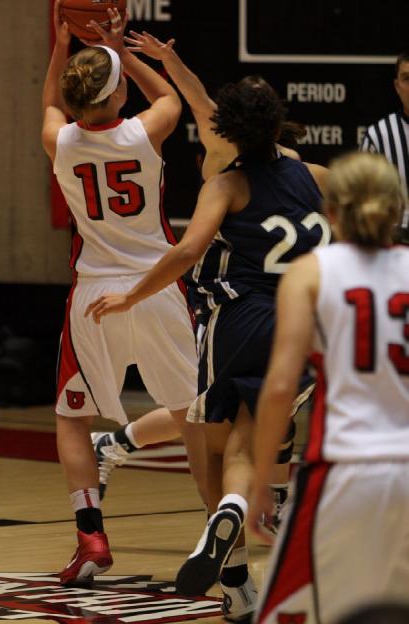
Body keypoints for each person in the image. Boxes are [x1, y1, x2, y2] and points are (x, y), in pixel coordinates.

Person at [87, 33, 329, 617]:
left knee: (207, 450)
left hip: (240, 317)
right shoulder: (315, 174)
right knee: (248, 441)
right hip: (309, 326)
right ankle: (239, 567)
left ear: (225, 134)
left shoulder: (226, 179)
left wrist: (129, 296)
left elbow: (185, 251)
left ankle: (230, 537)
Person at [42, 0, 206, 586]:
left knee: (70, 417)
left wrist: (64, 44)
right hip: (157, 285)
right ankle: (220, 529)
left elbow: (50, 106)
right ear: (117, 94)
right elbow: (171, 97)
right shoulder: (144, 133)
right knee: (194, 415)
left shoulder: (58, 142)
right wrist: (118, 49)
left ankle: (90, 535)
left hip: (93, 296)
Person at [248, 151, 409, 624]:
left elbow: (279, 387)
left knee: (288, 613)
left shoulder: (312, 270)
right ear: (397, 209)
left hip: (342, 469)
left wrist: (261, 483)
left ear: (331, 212)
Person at [360, 50, 409, 241]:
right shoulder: (377, 135)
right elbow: (362, 197)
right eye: (407, 78)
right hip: (393, 239)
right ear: (397, 86)